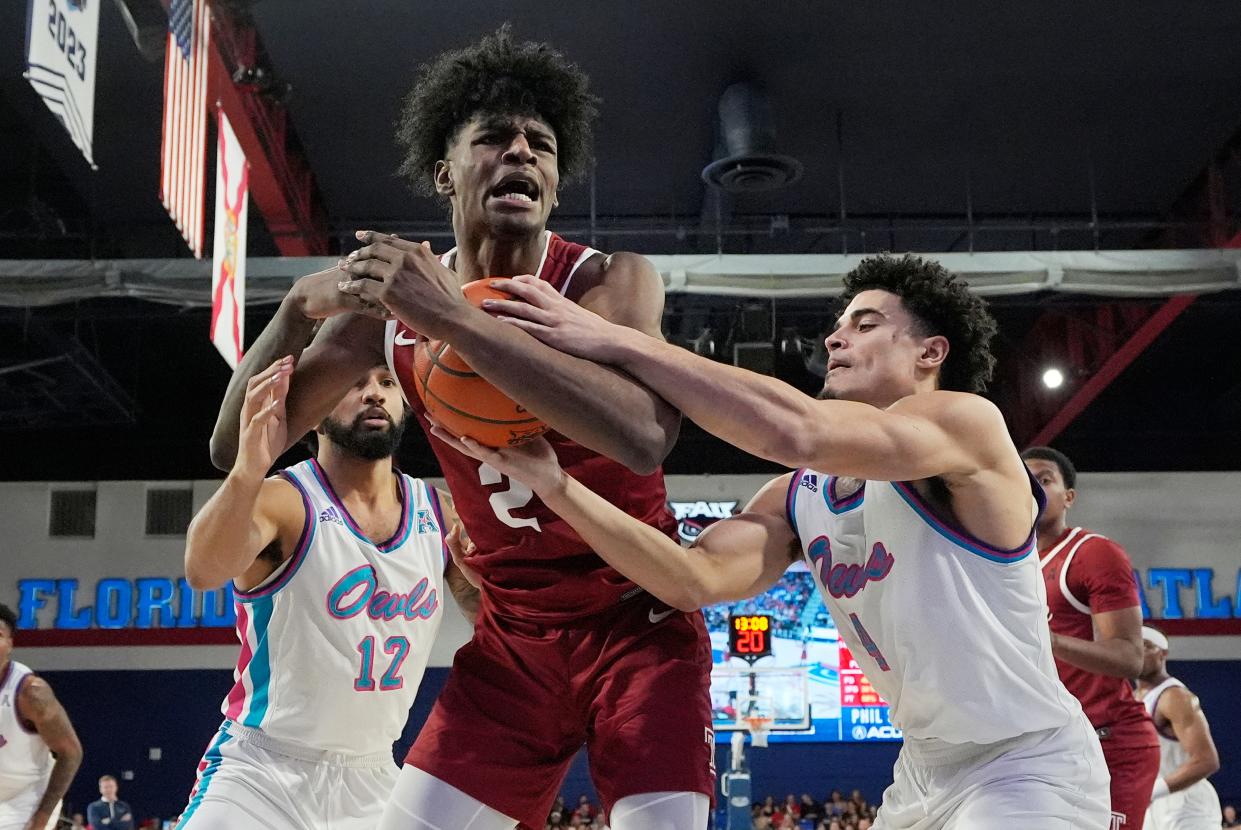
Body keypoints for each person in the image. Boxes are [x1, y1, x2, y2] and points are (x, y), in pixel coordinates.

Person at [208, 27, 712, 830]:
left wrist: (457, 320)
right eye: (496, 139)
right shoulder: (389, 314)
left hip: (637, 624)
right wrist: (299, 307)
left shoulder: (604, 281)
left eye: (541, 145)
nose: (523, 154)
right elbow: (238, 450)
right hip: (514, 642)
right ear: (445, 173)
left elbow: (644, 435)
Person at [436, 253, 1113, 829]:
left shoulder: (967, 426)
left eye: (864, 323)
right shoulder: (799, 495)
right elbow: (687, 580)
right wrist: (556, 488)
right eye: (838, 324)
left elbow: (799, 430)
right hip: (922, 770)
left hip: (1028, 760)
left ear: (930, 353)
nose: (834, 337)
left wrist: (614, 338)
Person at [174, 364, 478, 829]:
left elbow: (493, 620)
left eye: (386, 383)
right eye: (353, 382)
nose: (373, 394)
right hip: (261, 773)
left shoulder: (440, 513)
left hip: (374, 776)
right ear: (314, 413)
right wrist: (246, 471)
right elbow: (202, 570)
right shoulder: (282, 500)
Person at [1023, 446, 1159, 829]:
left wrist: (1048, 640)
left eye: (1044, 479)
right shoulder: (1010, 564)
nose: (1032, 487)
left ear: (1069, 497)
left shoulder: (1093, 552)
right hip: (1048, 745)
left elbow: (1130, 657)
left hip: (1110, 742)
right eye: (1024, 479)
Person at [0, 603, 82, 830]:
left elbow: (71, 753)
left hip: (26, 796)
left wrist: (42, 817)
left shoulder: (31, 693)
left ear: (10, 645)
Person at [1136, 627, 1222, 830]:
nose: (1140, 652)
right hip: (1152, 805)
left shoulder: (1175, 697)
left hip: (1186, 804)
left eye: (1147, 646)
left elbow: (1207, 761)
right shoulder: (1132, 698)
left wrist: (1152, 790)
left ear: (1163, 653)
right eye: (1135, 646)